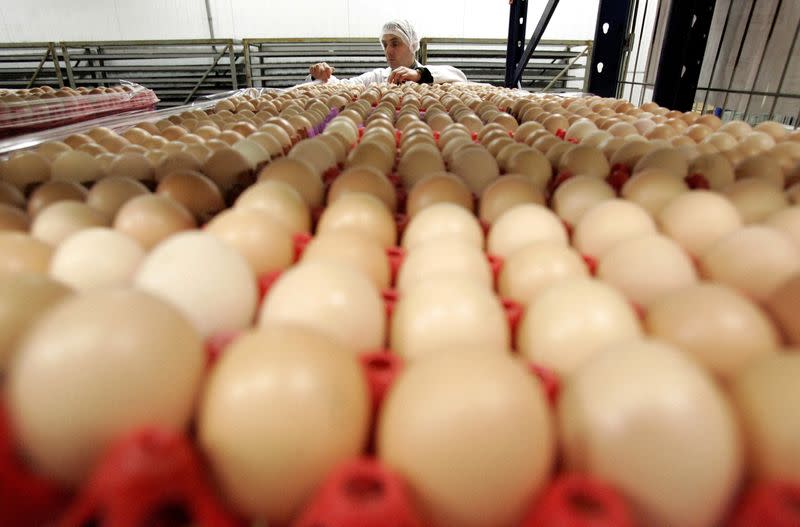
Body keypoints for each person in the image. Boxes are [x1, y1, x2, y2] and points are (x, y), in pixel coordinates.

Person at [307, 19, 467, 85]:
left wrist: (419, 75)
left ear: (412, 45)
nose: (388, 50)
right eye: (385, 44)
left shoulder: (430, 76)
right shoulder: (376, 78)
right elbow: (343, 86)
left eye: (395, 43)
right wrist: (320, 75)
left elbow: (459, 76)